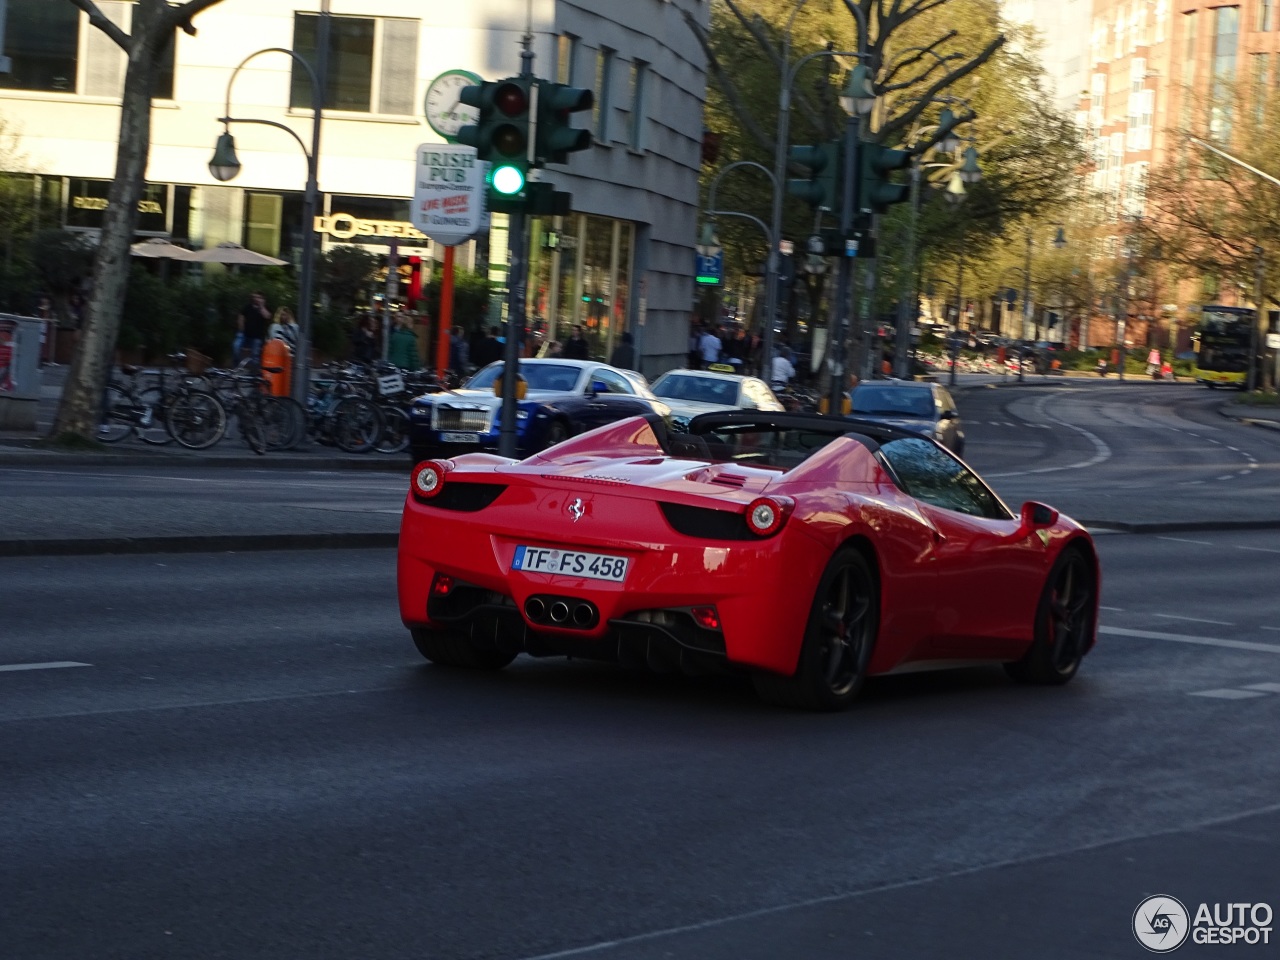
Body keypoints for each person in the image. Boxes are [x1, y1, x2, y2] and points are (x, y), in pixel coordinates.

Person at [238, 291, 271, 362]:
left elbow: (267, 316)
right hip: (245, 334)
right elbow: (241, 317)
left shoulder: (265, 308)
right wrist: (241, 329)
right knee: (237, 348)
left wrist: (261, 306)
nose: (257, 299)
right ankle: (238, 366)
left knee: (255, 354)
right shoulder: (247, 307)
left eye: (259, 297)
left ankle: (254, 370)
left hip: (257, 336)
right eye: (255, 297)